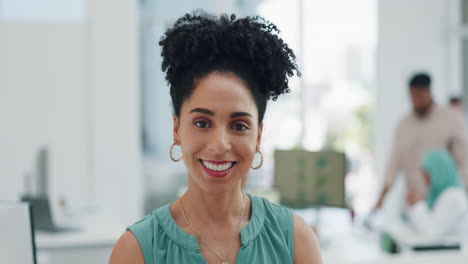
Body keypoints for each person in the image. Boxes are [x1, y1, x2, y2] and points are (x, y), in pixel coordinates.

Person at [110, 12, 322, 264]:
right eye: (202, 123)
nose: (219, 145)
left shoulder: (296, 240)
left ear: (258, 136)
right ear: (176, 129)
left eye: (239, 125)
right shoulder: (137, 249)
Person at [373, 73, 468, 211]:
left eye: (419, 96)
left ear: (428, 92)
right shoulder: (404, 124)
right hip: (413, 201)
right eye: (412, 96)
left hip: (443, 202)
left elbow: (464, 160)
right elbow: (393, 165)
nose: (415, 101)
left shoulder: (451, 119)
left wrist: (458, 195)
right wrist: (380, 200)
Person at [406, 150, 468, 237]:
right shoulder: (438, 195)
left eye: (427, 173)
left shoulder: (453, 197)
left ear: (439, 172)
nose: (424, 178)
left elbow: (432, 233)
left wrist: (417, 204)